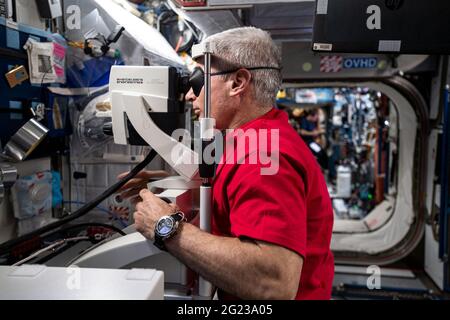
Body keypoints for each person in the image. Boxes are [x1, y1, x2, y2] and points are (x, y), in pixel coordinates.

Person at [118, 27, 334, 300]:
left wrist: (166, 227)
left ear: (238, 82)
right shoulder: (249, 139)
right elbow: (226, 195)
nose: (189, 96)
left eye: (199, 81)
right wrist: (165, 184)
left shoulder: (263, 155)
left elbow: (274, 282)